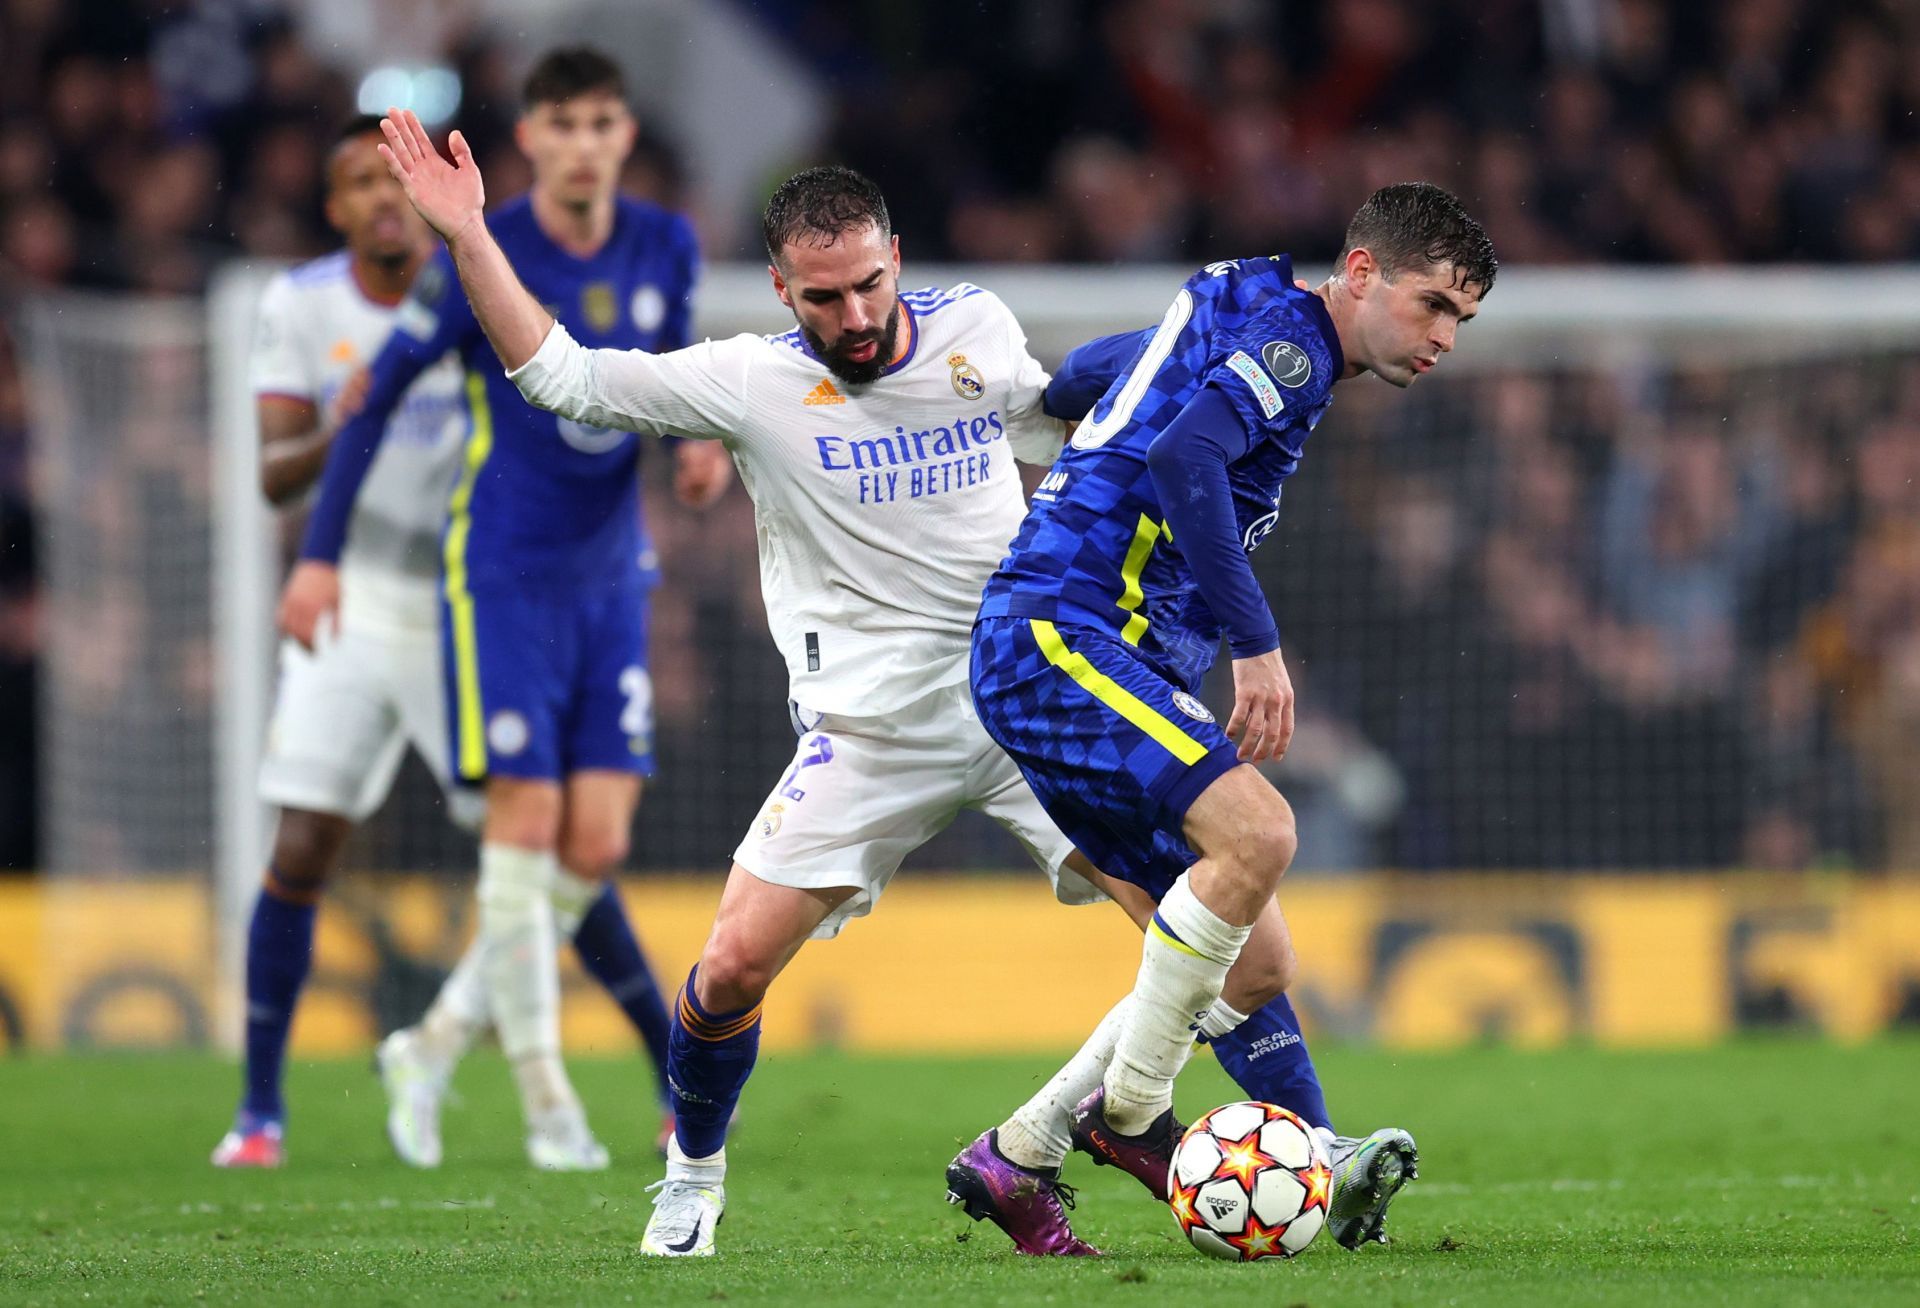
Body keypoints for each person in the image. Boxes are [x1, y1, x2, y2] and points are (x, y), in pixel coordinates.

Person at [967, 182, 1496, 1251]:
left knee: (1251, 964)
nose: (1445, 337)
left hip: (1077, 649)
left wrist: (1068, 426)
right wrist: (1258, 646)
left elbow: (1087, 378)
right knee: (1262, 833)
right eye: (1434, 304)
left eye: (1462, 320)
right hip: (1064, 634)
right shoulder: (1294, 353)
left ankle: (1019, 1155)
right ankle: (1126, 1116)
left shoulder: (1231, 301)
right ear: (1360, 273)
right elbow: (1183, 454)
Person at [279, 49, 732, 1171]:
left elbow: (672, 374)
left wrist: (700, 445)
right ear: (530, 137)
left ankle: (428, 1046)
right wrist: (318, 556)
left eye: (603, 123)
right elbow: (376, 394)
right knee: (525, 835)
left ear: (627, 136)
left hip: (611, 572)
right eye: (564, 124)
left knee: (597, 844)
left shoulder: (664, 245)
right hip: (505, 572)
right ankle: (546, 1106)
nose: (585, 143)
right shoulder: (486, 242)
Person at [210, 113, 473, 1170]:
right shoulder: (300, 303)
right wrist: (348, 418)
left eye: (391, 180)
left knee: (545, 844)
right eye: (357, 183)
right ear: (334, 208)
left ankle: (662, 1083)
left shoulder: (471, 286)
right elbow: (274, 472)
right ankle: (260, 1111)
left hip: (462, 601)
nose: (379, 197)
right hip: (352, 597)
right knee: (303, 843)